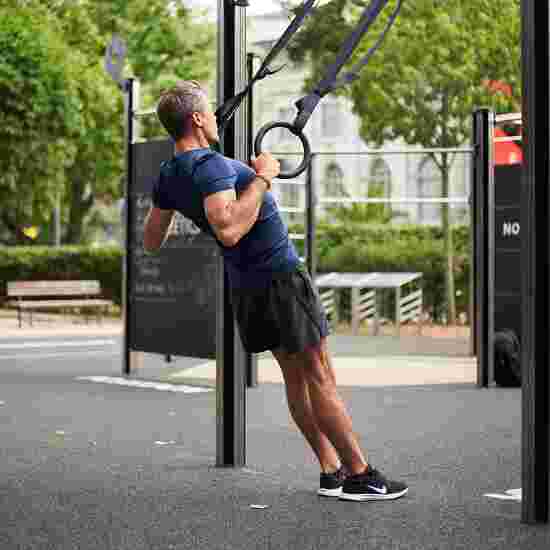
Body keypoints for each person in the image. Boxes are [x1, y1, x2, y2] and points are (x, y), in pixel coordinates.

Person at [143, 80, 408, 502]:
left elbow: (151, 239)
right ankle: (360, 474)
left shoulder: (171, 173)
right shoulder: (209, 166)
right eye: (209, 111)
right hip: (279, 279)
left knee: (296, 381)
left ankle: (330, 469)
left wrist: (212, 189)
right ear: (196, 119)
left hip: (249, 284)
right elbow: (228, 229)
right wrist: (263, 178)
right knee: (319, 375)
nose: (214, 117)